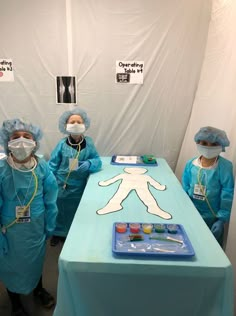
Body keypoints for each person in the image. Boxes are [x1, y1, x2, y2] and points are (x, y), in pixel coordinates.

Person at [0, 118, 58, 316]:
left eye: (27, 136)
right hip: (9, 229)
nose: (22, 141)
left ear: (35, 142)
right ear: (7, 142)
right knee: (10, 264)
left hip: (36, 226)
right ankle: (15, 301)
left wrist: (50, 224)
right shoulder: (1, 169)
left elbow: (51, 198)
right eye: (15, 137)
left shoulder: (41, 167)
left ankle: (38, 289)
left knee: (35, 259)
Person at [48, 107, 102, 246]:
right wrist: (50, 181)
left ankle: (70, 233)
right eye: (72, 121)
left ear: (85, 124)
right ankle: (57, 233)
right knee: (59, 209)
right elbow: (52, 164)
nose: (76, 124)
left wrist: (90, 163)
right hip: (61, 184)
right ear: (65, 125)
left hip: (79, 185)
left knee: (75, 210)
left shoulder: (88, 143)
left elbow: (97, 160)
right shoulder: (61, 144)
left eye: (79, 121)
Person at [182, 126, 234, 246]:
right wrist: (184, 211)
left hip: (213, 218)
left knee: (210, 248)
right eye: (204, 143)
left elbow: (228, 193)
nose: (208, 147)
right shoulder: (191, 164)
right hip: (192, 214)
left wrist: (221, 219)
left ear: (221, 146)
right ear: (198, 143)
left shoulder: (225, 167)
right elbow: (184, 189)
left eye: (214, 144)